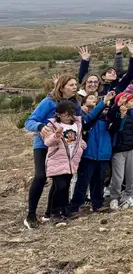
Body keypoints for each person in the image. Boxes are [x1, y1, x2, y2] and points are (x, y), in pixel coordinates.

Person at [24, 74, 81, 229]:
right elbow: (29, 121)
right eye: (71, 85)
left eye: (76, 84)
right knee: (41, 176)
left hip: (63, 148)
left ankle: (51, 213)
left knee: (60, 180)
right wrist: (40, 126)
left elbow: (80, 122)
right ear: (62, 87)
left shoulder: (75, 103)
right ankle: (30, 215)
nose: (75, 87)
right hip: (43, 145)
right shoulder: (48, 102)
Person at [69, 91, 115, 214]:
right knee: (82, 183)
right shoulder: (84, 119)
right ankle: (74, 207)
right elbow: (89, 119)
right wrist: (103, 102)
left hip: (103, 155)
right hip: (88, 155)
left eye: (96, 99)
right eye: (91, 98)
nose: (94, 100)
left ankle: (97, 205)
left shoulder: (106, 120)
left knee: (99, 182)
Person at [41, 101, 87, 222]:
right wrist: (56, 135)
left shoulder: (77, 123)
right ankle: (55, 211)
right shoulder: (52, 125)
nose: (69, 117)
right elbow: (48, 142)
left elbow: (78, 138)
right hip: (57, 160)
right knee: (60, 186)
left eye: (71, 114)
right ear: (59, 114)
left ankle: (64, 210)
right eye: (66, 114)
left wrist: (81, 145)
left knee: (65, 186)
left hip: (72, 161)